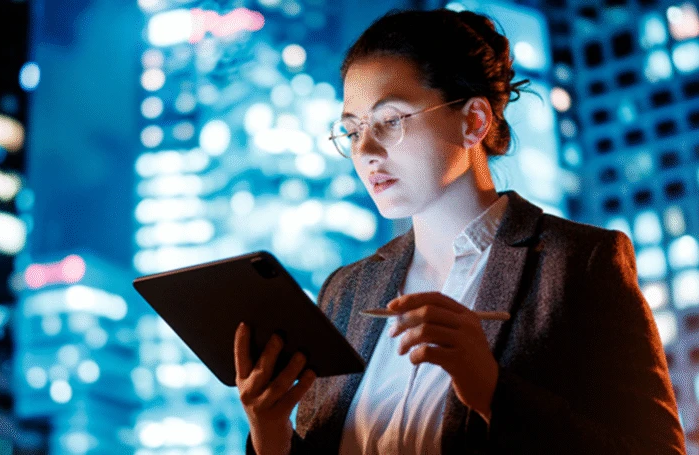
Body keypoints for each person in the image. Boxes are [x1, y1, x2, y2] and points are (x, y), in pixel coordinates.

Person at [233, 8, 687, 455]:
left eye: (390, 121)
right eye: (352, 132)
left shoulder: (576, 263)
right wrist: (270, 434)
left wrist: (492, 391)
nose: (365, 151)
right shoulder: (347, 291)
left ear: (473, 121)